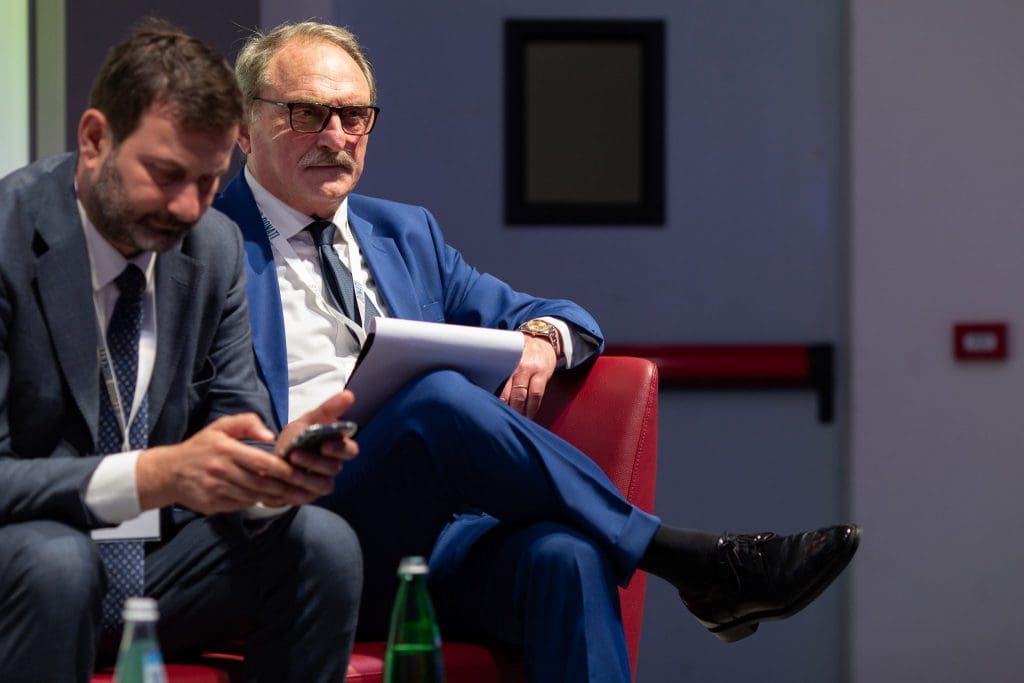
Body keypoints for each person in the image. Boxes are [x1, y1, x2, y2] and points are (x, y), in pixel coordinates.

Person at [215, 20, 861, 683]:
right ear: (243, 127)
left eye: (354, 115)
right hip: (298, 534)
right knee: (435, 398)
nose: (335, 136)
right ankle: (685, 557)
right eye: (306, 114)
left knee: (567, 557)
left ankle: (686, 565)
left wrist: (543, 340)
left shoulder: (403, 233)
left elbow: (563, 317)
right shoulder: (206, 245)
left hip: (431, 538)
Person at [0, 22, 363, 683]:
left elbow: (236, 419)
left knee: (321, 542)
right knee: (58, 565)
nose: (187, 207)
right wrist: (153, 475)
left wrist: (272, 470)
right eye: (165, 175)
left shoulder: (212, 247)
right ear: (94, 140)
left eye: (208, 181)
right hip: (28, 561)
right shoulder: (8, 238)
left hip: (155, 563)